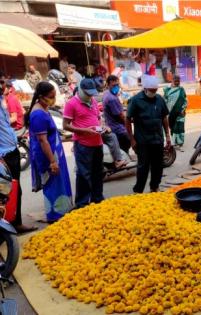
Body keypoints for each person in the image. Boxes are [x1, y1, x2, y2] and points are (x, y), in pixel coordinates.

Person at [26, 82, 73, 222]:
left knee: (59, 182)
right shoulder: (38, 114)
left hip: (54, 153)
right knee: (53, 184)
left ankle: (62, 211)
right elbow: (42, 141)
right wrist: (52, 161)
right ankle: (55, 215)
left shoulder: (44, 108)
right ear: (41, 97)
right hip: (48, 157)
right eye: (50, 97)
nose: (53, 99)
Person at [0, 78, 37, 233]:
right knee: (6, 191)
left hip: (11, 149)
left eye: (2, 82)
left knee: (15, 190)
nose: (2, 86)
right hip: (3, 154)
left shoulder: (2, 99)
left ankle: (15, 222)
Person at [126, 75, 171, 193]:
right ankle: (138, 190)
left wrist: (167, 135)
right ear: (145, 88)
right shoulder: (135, 100)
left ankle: (154, 187)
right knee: (143, 167)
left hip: (157, 139)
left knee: (158, 166)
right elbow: (127, 119)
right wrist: (132, 140)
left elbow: (164, 117)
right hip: (143, 141)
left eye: (155, 90)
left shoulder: (159, 99)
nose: (154, 92)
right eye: (151, 90)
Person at [63, 78, 104, 208]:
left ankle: (97, 199)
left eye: (92, 93)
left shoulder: (92, 101)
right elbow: (66, 125)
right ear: (81, 90)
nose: (90, 96)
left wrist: (103, 127)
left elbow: (98, 119)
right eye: (88, 93)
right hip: (83, 145)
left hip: (98, 142)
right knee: (83, 174)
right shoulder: (71, 104)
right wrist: (84, 130)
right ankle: (82, 203)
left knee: (98, 173)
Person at [103, 75, 131, 154]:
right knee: (128, 141)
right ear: (108, 85)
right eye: (113, 85)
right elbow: (122, 116)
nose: (116, 87)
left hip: (110, 125)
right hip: (118, 129)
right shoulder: (112, 98)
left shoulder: (107, 94)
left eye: (117, 85)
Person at [163, 75, 187, 149]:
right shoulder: (167, 90)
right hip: (170, 113)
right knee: (172, 127)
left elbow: (185, 100)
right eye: (176, 81)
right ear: (172, 80)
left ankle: (180, 142)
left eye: (178, 81)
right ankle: (173, 141)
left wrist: (184, 109)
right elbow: (165, 100)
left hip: (180, 113)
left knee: (180, 127)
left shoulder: (182, 89)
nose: (177, 82)